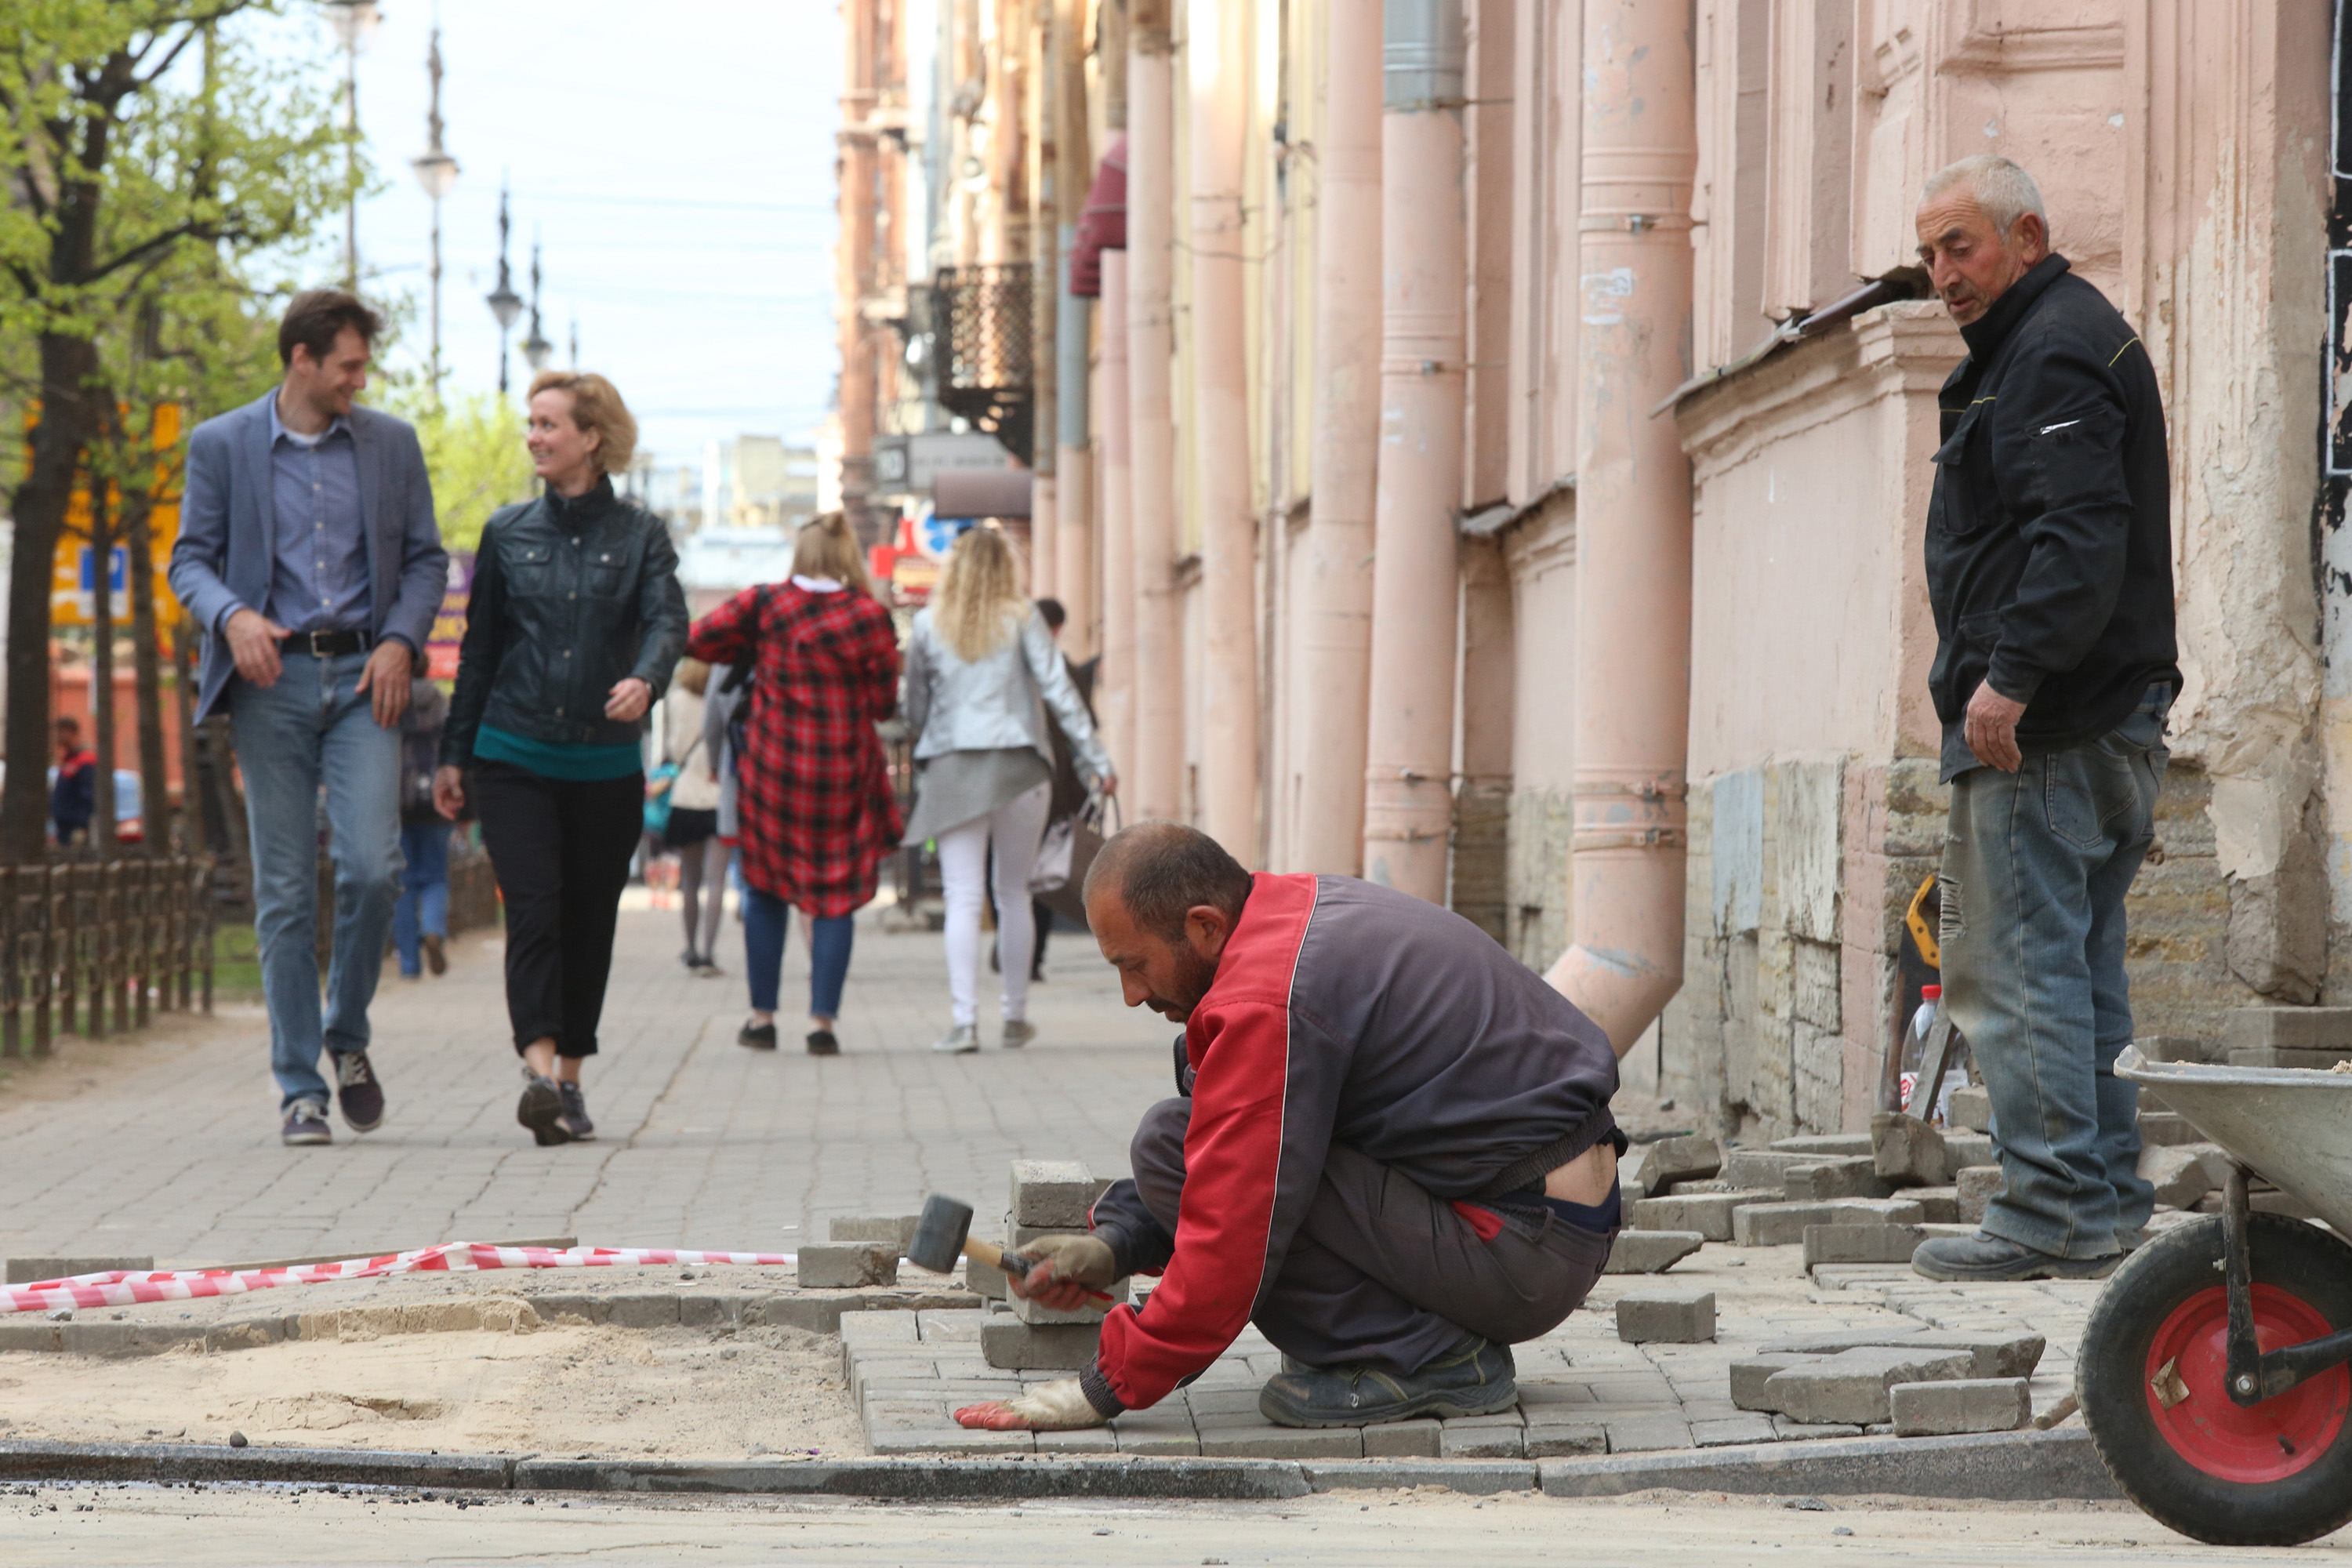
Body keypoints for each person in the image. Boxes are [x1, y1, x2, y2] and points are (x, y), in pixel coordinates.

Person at [954, 822, 1622, 1436]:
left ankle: (1427, 1360)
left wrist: (1107, 1387)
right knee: (1171, 1140)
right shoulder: (1286, 919)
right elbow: (1234, 1143)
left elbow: (1236, 1225)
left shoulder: (1268, 997)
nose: (1132, 994)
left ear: (1204, 926)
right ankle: (1418, 1341)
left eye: (1134, 964)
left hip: (1522, 1246)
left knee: (1189, 1161)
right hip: (1535, 1219)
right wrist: (1116, 1244)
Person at [1906, 156, 2177, 1283]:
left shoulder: (2052, 348)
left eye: (1959, 248)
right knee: (2080, 970)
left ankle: (2052, 1210)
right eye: (1928, 256)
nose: (1941, 277)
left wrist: (2007, 681)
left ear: (2026, 234)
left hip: (2049, 727)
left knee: (2016, 975)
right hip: (2099, 717)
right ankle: (2105, 1199)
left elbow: (2075, 536)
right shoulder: (2054, 337)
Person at [169, 289, 448, 1147]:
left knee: (372, 867)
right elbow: (189, 561)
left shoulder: (391, 444)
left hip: (370, 681)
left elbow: (427, 559)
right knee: (285, 892)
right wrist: (232, 616)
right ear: (302, 360)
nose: (359, 381)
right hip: (271, 684)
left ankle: (347, 1035)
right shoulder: (221, 444)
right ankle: (300, 1086)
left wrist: (402, 640)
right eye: (348, 366)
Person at [434, 371, 686, 1146]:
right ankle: (539, 1071)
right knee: (535, 906)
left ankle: (571, 1076)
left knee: (588, 919)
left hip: (605, 763)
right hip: (513, 750)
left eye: (549, 424)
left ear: (592, 437)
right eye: (532, 424)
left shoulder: (642, 534)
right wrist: (454, 755)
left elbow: (666, 621)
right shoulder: (507, 532)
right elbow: (479, 653)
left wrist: (646, 678)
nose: (535, 437)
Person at [685, 512, 900, 1057]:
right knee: (834, 899)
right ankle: (822, 1025)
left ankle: (762, 1018)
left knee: (764, 889)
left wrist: (751, 648)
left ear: (800, 555)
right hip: (843, 776)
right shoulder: (869, 616)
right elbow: (882, 704)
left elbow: (698, 641)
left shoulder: (764, 604)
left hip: (772, 773)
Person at [902, 528, 1113, 1054]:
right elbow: (1060, 692)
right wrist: (1097, 760)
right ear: (1006, 571)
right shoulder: (1023, 619)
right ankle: (1015, 1016)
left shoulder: (929, 624)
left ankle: (963, 1021)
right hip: (1021, 767)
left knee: (963, 896)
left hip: (953, 766)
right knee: (1013, 892)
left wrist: (928, 739)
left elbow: (915, 706)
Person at [659, 656, 729, 975]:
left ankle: (689, 948)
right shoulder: (726, 695)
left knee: (690, 881)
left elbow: (673, 751)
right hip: (719, 796)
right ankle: (708, 952)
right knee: (717, 882)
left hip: (686, 796)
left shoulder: (676, 700)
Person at [394, 681, 453, 978]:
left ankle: (409, 964)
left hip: (398, 803)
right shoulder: (439, 703)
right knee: (435, 877)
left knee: (403, 882)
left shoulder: (392, 694)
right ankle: (432, 929)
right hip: (435, 802)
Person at [49, 717, 96, 846]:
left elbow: (88, 795)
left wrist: (82, 826)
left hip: (75, 828)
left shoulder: (85, 761)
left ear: (69, 732)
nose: (56, 737)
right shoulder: (67, 760)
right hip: (63, 827)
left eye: (58, 732)